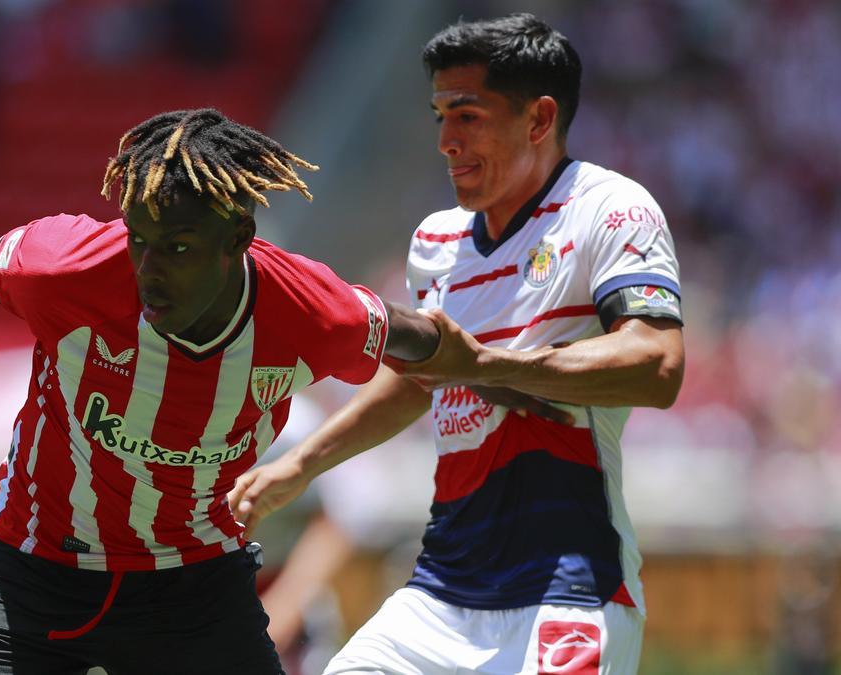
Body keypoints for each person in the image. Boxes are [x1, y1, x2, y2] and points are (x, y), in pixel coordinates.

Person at [0, 108, 441, 675]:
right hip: (33, 572)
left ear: (236, 238)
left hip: (195, 588)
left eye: (176, 248)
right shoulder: (67, 268)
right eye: (138, 240)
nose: (148, 270)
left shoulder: (313, 311)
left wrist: (512, 368)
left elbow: (427, 345)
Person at [229, 14, 686, 674]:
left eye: (467, 116)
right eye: (440, 114)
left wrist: (487, 364)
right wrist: (300, 466)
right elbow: (426, 377)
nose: (445, 141)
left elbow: (657, 361)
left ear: (538, 119)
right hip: (440, 594)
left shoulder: (610, 208)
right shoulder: (436, 242)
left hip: (568, 591)